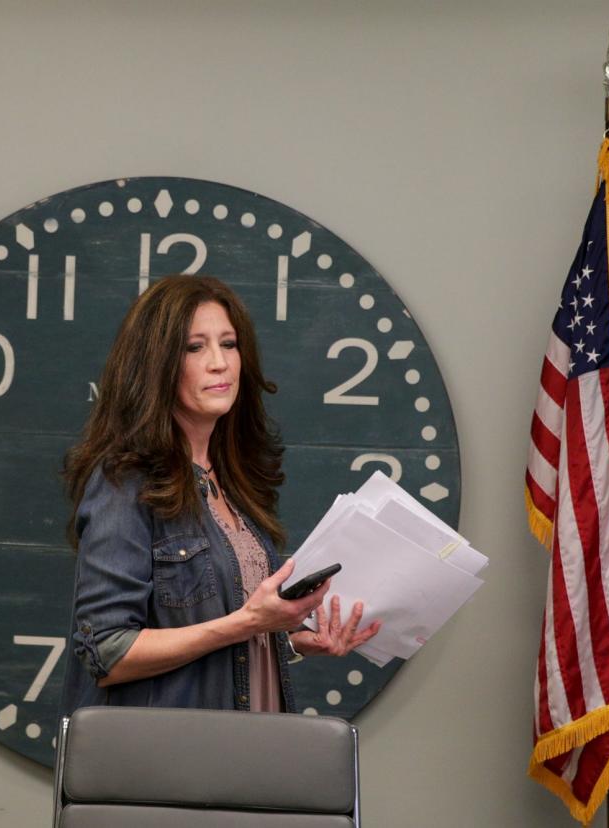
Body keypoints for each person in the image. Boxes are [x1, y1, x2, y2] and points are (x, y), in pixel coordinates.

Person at [61, 275, 381, 715]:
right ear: (155, 364)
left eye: (229, 344)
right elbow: (106, 652)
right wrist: (250, 623)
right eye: (195, 348)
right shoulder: (126, 480)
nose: (219, 363)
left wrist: (287, 641)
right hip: (169, 769)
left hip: (249, 756)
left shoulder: (229, 481)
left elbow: (217, 638)